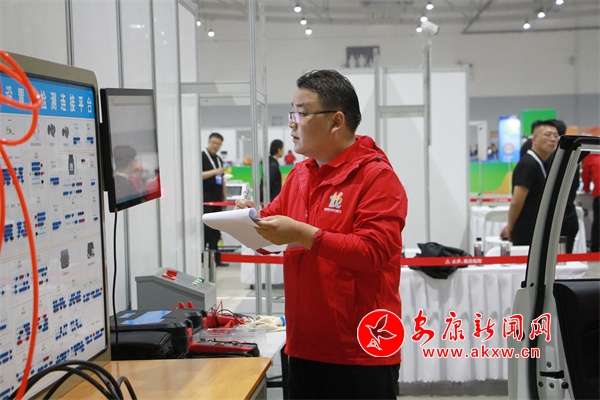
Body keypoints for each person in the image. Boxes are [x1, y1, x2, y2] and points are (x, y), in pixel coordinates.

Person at [235, 69, 408, 399]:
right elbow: (270, 227)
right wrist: (249, 218)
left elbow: (373, 252)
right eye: (292, 113)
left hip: (360, 350)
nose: (292, 124)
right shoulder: (301, 174)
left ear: (336, 121)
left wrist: (304, 234)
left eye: (301, 114)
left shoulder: (376, 177)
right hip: (304, 345)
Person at [501, 119, 559, 245]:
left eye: (555, 136)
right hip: (527, 231)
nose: (553, 139)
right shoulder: (528, 164)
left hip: (539, 228)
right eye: (547, 135)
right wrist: (510, 227)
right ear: (534, 139)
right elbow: (516, 202)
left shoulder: (543, 163)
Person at [202, 132, 228, 267]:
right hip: (206, 200)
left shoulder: (218, 159)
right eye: (213, 143)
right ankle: (203, 259)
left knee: (216, 231)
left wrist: (224, 197)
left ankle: (215, 260)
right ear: (208, 142)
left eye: (218, 144)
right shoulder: (202, 157)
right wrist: (215, 172)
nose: (215, 146)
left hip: (217, 200)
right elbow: (199, 175)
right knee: (206, 231)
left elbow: (222, 179)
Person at [582, 152, 600, 252]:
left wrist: (586, 188)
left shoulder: (590, 157)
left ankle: (595, 248)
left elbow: (585, 175)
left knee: (597, 222)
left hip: (599, 193)